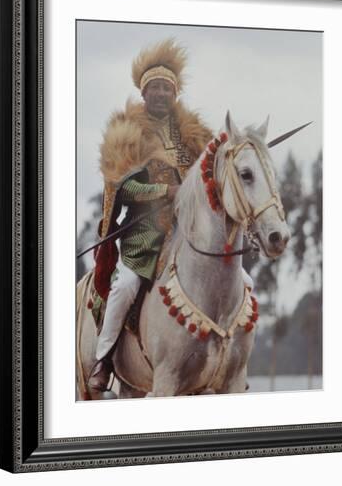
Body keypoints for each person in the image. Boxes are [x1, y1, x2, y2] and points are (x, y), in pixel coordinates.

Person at [88, 39, 252, 392]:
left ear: (174, 93)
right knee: (124, 289)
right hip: (146, 237)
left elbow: (214, 175)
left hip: (190, 232)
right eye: (155, 88)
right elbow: (124, 190)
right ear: (144, 92)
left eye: (166, 88)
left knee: (246, 284)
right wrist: (165, 192)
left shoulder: (194, 136)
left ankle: (234, 362)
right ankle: (104, 361)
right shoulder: (127, 134)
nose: (161, 93)